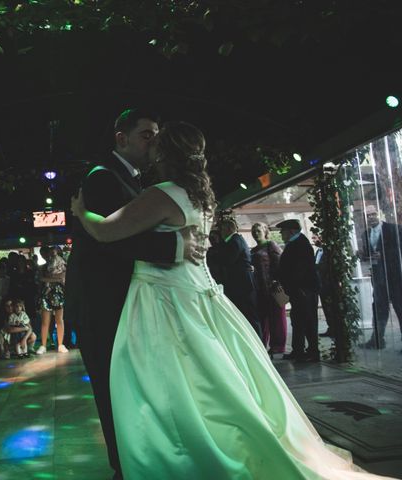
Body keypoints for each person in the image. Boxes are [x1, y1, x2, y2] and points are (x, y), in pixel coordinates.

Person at [70, 121, 393, 480]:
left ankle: (180, 452)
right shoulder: (200, 195)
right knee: (214, 378)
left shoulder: (161, 193)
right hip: (200, 295)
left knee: (167, 381)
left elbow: (106, 231)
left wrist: (81, 212)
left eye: (156, 142)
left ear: (166, 153)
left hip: (165, 297)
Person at [65, 108, 205, 480]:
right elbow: (110, 242)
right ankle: (124, 467)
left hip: (132, 301)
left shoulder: (140, 182)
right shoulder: (101, 178)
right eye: (146, 134)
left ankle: (144, 457)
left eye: (157, 134)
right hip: (103, 304)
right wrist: (176, 245)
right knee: (114, 389)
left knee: (136, 385)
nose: (154, 141)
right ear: (120, 138)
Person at [358, 205, 402, 349]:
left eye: (373, 214)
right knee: (378, 308)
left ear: (380, 214)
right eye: (368, 215)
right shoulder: (365, 234)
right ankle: (377, 340)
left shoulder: (393, 229)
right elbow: (368, 256)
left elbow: (398, 250)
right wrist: (363, 255)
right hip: (378, 278)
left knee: (400, 308)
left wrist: (384, 255)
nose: (371, 217)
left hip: (395, 277)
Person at [276, 219, 320, 362]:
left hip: (303, 290)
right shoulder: (295, 243)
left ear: (291, 231)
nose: (281, 234)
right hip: (298, 290)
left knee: (308, 321)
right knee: (298, 320)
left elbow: (300, 270)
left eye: (283, 231)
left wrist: (299, 287)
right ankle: (298, 350)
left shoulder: (300, 244)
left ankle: (313, 352)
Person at [218, 217, 262, 338]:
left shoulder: (235, 241)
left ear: (228, 229)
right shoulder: (236, 240)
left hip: (243, 285)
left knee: (250, 316)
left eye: (222, 229)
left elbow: (227, 260)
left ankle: (259, 343)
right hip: (242, 284)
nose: (221, 232)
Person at [251, 222, 287, 353]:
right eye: (253, 231)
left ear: (265, 231)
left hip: (273, 287)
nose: (255, 233)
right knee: (262, 318)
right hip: (259, 289)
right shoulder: (253, 250)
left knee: (277, 318)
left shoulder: (271, 245)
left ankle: (278, 346)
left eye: (258, 230)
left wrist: (276, 282)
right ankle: (262, 344)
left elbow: (280, 264)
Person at [35, 246, 67, 354]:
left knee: (59, 319)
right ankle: (43, 345)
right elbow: (41, 279)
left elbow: (63, 276)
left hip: (59, 292)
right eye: (50, 251)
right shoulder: (43, 267)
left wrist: (53, 277)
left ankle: (61, 344)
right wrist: (55, 278)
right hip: (47, 292)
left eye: (54, 251)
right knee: (45, 321)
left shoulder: (63, 263)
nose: (52, 253)